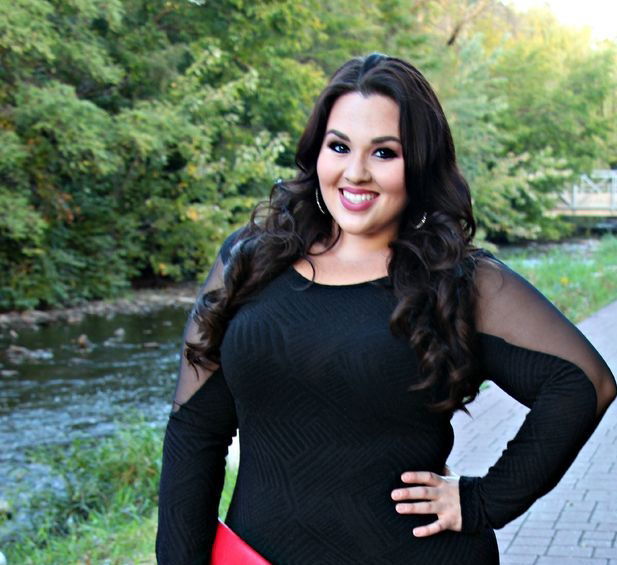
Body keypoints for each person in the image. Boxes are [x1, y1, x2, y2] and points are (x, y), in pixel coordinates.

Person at [155, 53, 616, 564]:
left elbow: (583, 383)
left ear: (419, 163)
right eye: (339, 146)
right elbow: (195, 431)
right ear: (316, 152)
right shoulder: (249, 260)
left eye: (384, 152)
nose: (356, 172)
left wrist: (484, 499)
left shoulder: (457, 281)